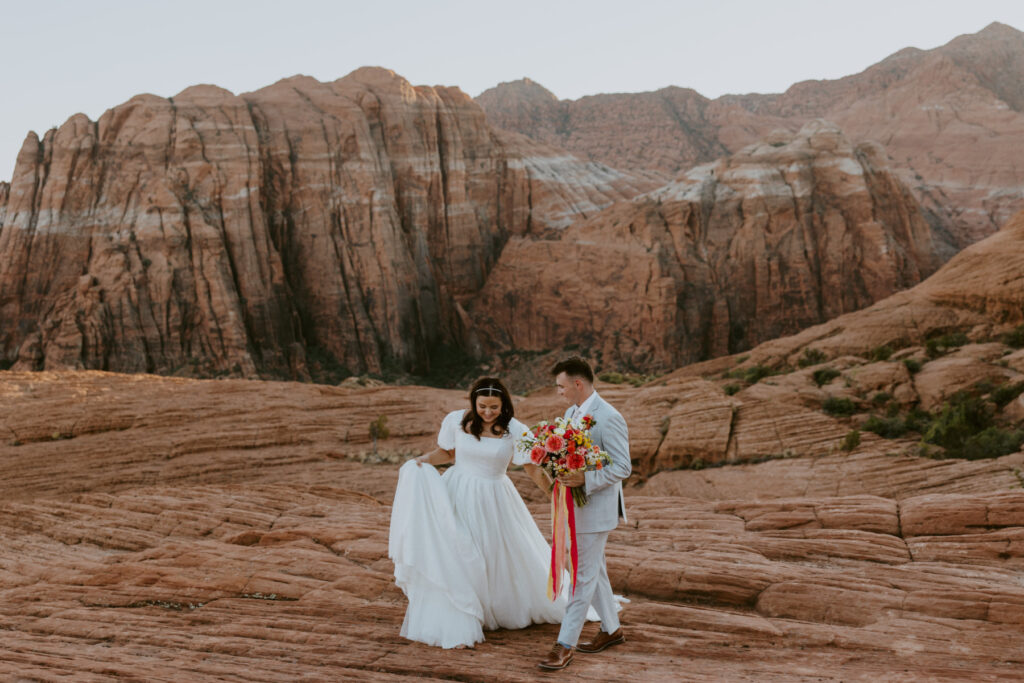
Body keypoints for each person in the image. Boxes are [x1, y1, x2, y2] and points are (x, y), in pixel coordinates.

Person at [388, 376, 566, 649]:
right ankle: (462, 608)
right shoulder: (457, 421)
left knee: (492, 552)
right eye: (483, 406)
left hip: (494, 498)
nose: (487, 412)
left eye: (494, 407)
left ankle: (491, 606)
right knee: (458, 550)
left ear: (503, 405)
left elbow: (530, 467)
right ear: (474, 402)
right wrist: (422, 461)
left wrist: (554, 493)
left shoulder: (515, 430)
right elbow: (446, 453)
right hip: (457, 491)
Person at [538, 356, 631, 671]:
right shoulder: (570, 413)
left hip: (596, 510)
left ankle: (564, 644)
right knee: (596, 571)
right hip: (573, 506)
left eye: (562, 386)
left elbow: (623, 466)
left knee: (582, 575)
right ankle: (612, 629)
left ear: (578, 384)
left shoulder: (609, 417)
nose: (559, 393)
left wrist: (585, 480)